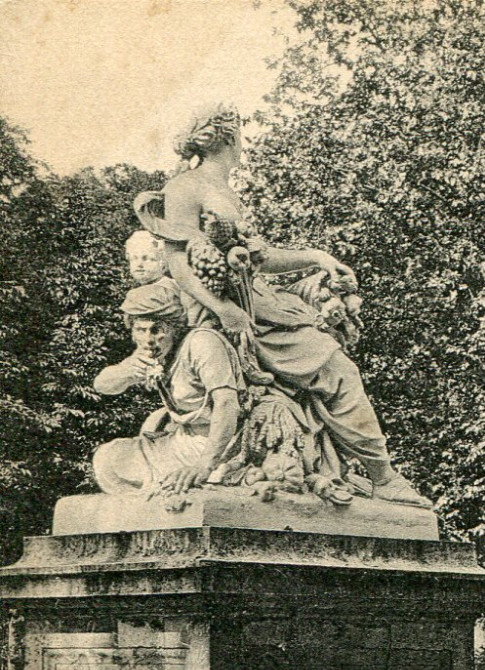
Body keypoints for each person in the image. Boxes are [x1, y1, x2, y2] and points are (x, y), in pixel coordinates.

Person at [133, 103, 428, 507]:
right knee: (337, 369)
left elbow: (261, 259)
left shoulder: (225, 191)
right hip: (225, 309)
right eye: (239, 135)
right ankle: (383, 477)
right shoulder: (185, 186)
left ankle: (372, 474)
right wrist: (223, 311)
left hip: (259, 305)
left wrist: (317, 257)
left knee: (337, 365)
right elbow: (179, 267)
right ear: (230, 138)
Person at [91, 281, 242, 496]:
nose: (148, 340)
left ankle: (188, 482)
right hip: (183, 441)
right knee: (107, 458)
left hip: (222, 444)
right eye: (140, 330)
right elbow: (101, 385)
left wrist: (203, 465)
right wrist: (126, 370)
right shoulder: (152, 354)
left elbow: (227, 403)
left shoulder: (201, 343)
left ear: (174, 329)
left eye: (157, 330)